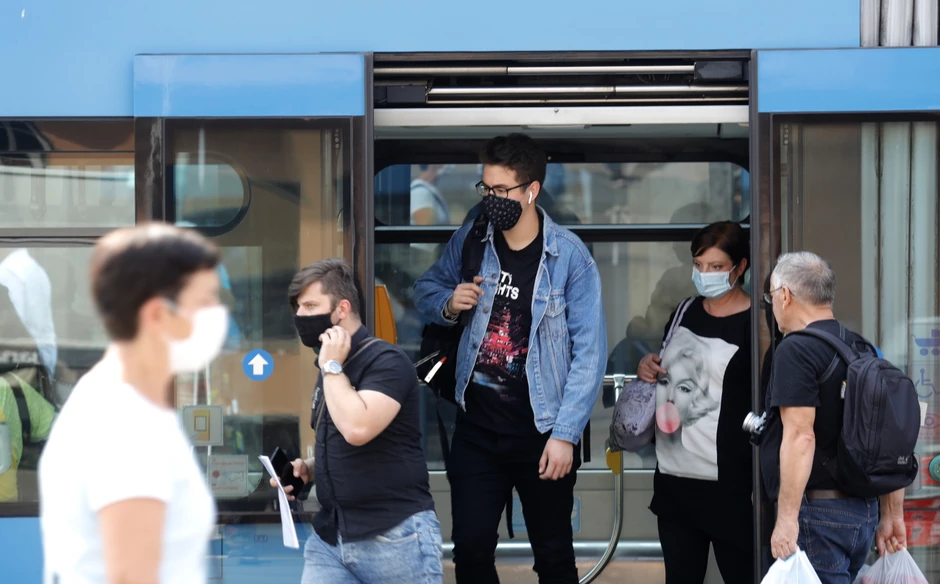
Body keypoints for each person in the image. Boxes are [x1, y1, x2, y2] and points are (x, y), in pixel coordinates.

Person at [414, 133, 607, 584]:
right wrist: (449, 302)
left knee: (554, 558)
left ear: (532, 190)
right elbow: (425, 289)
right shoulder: (472, 239)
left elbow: (589, 354)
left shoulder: (570, 258)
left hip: (542, 432)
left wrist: (565, 436)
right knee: (471, 552)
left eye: (502, 190)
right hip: (476, 430)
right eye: (486, 188)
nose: (491, 199)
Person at [38, 223, 225, 584]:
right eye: (205, 301)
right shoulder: (125, 424)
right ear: (157, 315)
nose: (218, 314)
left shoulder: (127, 403)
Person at [273, 258, 442, 584]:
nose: (300, 316)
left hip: (394, 535)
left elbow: (357, 428)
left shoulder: (387, 361)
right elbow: (341, 439)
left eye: (311, 306)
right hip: (331, 537)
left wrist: (332, 368)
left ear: (342, 309)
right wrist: (309, 468)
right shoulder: (330, 368)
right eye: (297, 307)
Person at [761, 251, 907, 584]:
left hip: (818, 515)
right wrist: (891, 514)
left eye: (771, 296)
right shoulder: (864, 348)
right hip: (863, 513)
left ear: (785, 295)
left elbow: (800, 436)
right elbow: (891, 437)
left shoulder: (795, 350)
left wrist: (786, 519)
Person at [636, 220, 754, 584]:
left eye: (716, 266)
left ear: (740, 267)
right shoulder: (684, 311)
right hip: (676, 483)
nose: (705, 274)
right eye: (699, 265)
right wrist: (648, 365)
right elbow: (666, 366)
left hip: (732, 488)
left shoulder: (758, 324)